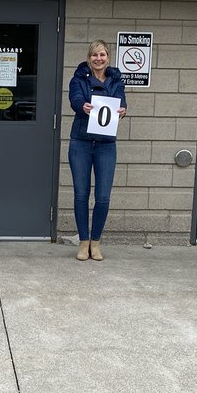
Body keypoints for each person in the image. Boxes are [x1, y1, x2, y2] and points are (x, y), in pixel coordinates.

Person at [68, 40, 126, 261]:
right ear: (89, 57)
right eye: (94, 55)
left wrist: (123, 110)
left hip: (106, 145)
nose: (98, 59)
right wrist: (81, 105)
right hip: (81, 143)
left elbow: (122, 102)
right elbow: (74, 99)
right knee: (81, 194)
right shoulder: (78, 79)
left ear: (108, 57)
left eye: (102, 55)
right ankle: (84, 242)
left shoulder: (116, 80)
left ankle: (96, 242)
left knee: (102, 197)